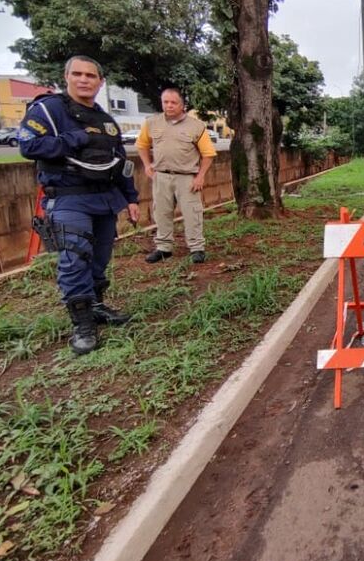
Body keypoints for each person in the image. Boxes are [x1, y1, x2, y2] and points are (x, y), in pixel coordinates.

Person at [18, 56, 139, 355]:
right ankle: (83, 325)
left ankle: (96, 306)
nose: (84, 80)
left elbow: (121, 163)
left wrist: (132, 198)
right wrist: (77, 138)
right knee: (74, 258)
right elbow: (29, 146)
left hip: (104, 197)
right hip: (69, 197)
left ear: (100, 81)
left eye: (91, 75)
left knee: (99, 257)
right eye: (78, 74)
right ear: (66, 77)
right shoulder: (48, 110)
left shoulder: (106, 121)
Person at [135, 88, 216, 265]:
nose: (169, 106)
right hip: (161, 176)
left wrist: (200, 176)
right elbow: (141, 145)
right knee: (161, 212)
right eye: (166, 102)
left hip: (187, 177)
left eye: (174, 102)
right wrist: (147, 165)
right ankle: (164, 248)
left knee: (192, 213)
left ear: (182, 105)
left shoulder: (196, 126)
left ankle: (196, 248)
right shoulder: (152, 123)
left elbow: (208, 154)